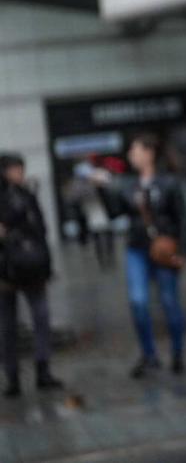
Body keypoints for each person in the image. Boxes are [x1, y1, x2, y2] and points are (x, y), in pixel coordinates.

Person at [105, 134, 186, 379]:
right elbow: (114, 213)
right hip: (137, 248)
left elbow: (183, 219)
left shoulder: (169, 183)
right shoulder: (128, 184)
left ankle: (177, 352)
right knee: (138, 302)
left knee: (169, 302)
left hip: (164, 249)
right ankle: (149, 354)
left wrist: (184, 252)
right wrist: (104, 190)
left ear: (149, 153)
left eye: (135, 150)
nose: (132, 156)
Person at [0, 154, 64, 396]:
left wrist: (46, 266)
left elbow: (41, 231)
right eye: (15, 169)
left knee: (41, 316)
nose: (20, 173)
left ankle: (42, 369)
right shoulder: (15, 196)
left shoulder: (28, 194)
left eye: (21, 168)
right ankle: (12, 376)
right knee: (7, 324)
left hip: (32, 265)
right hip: (6, 268)